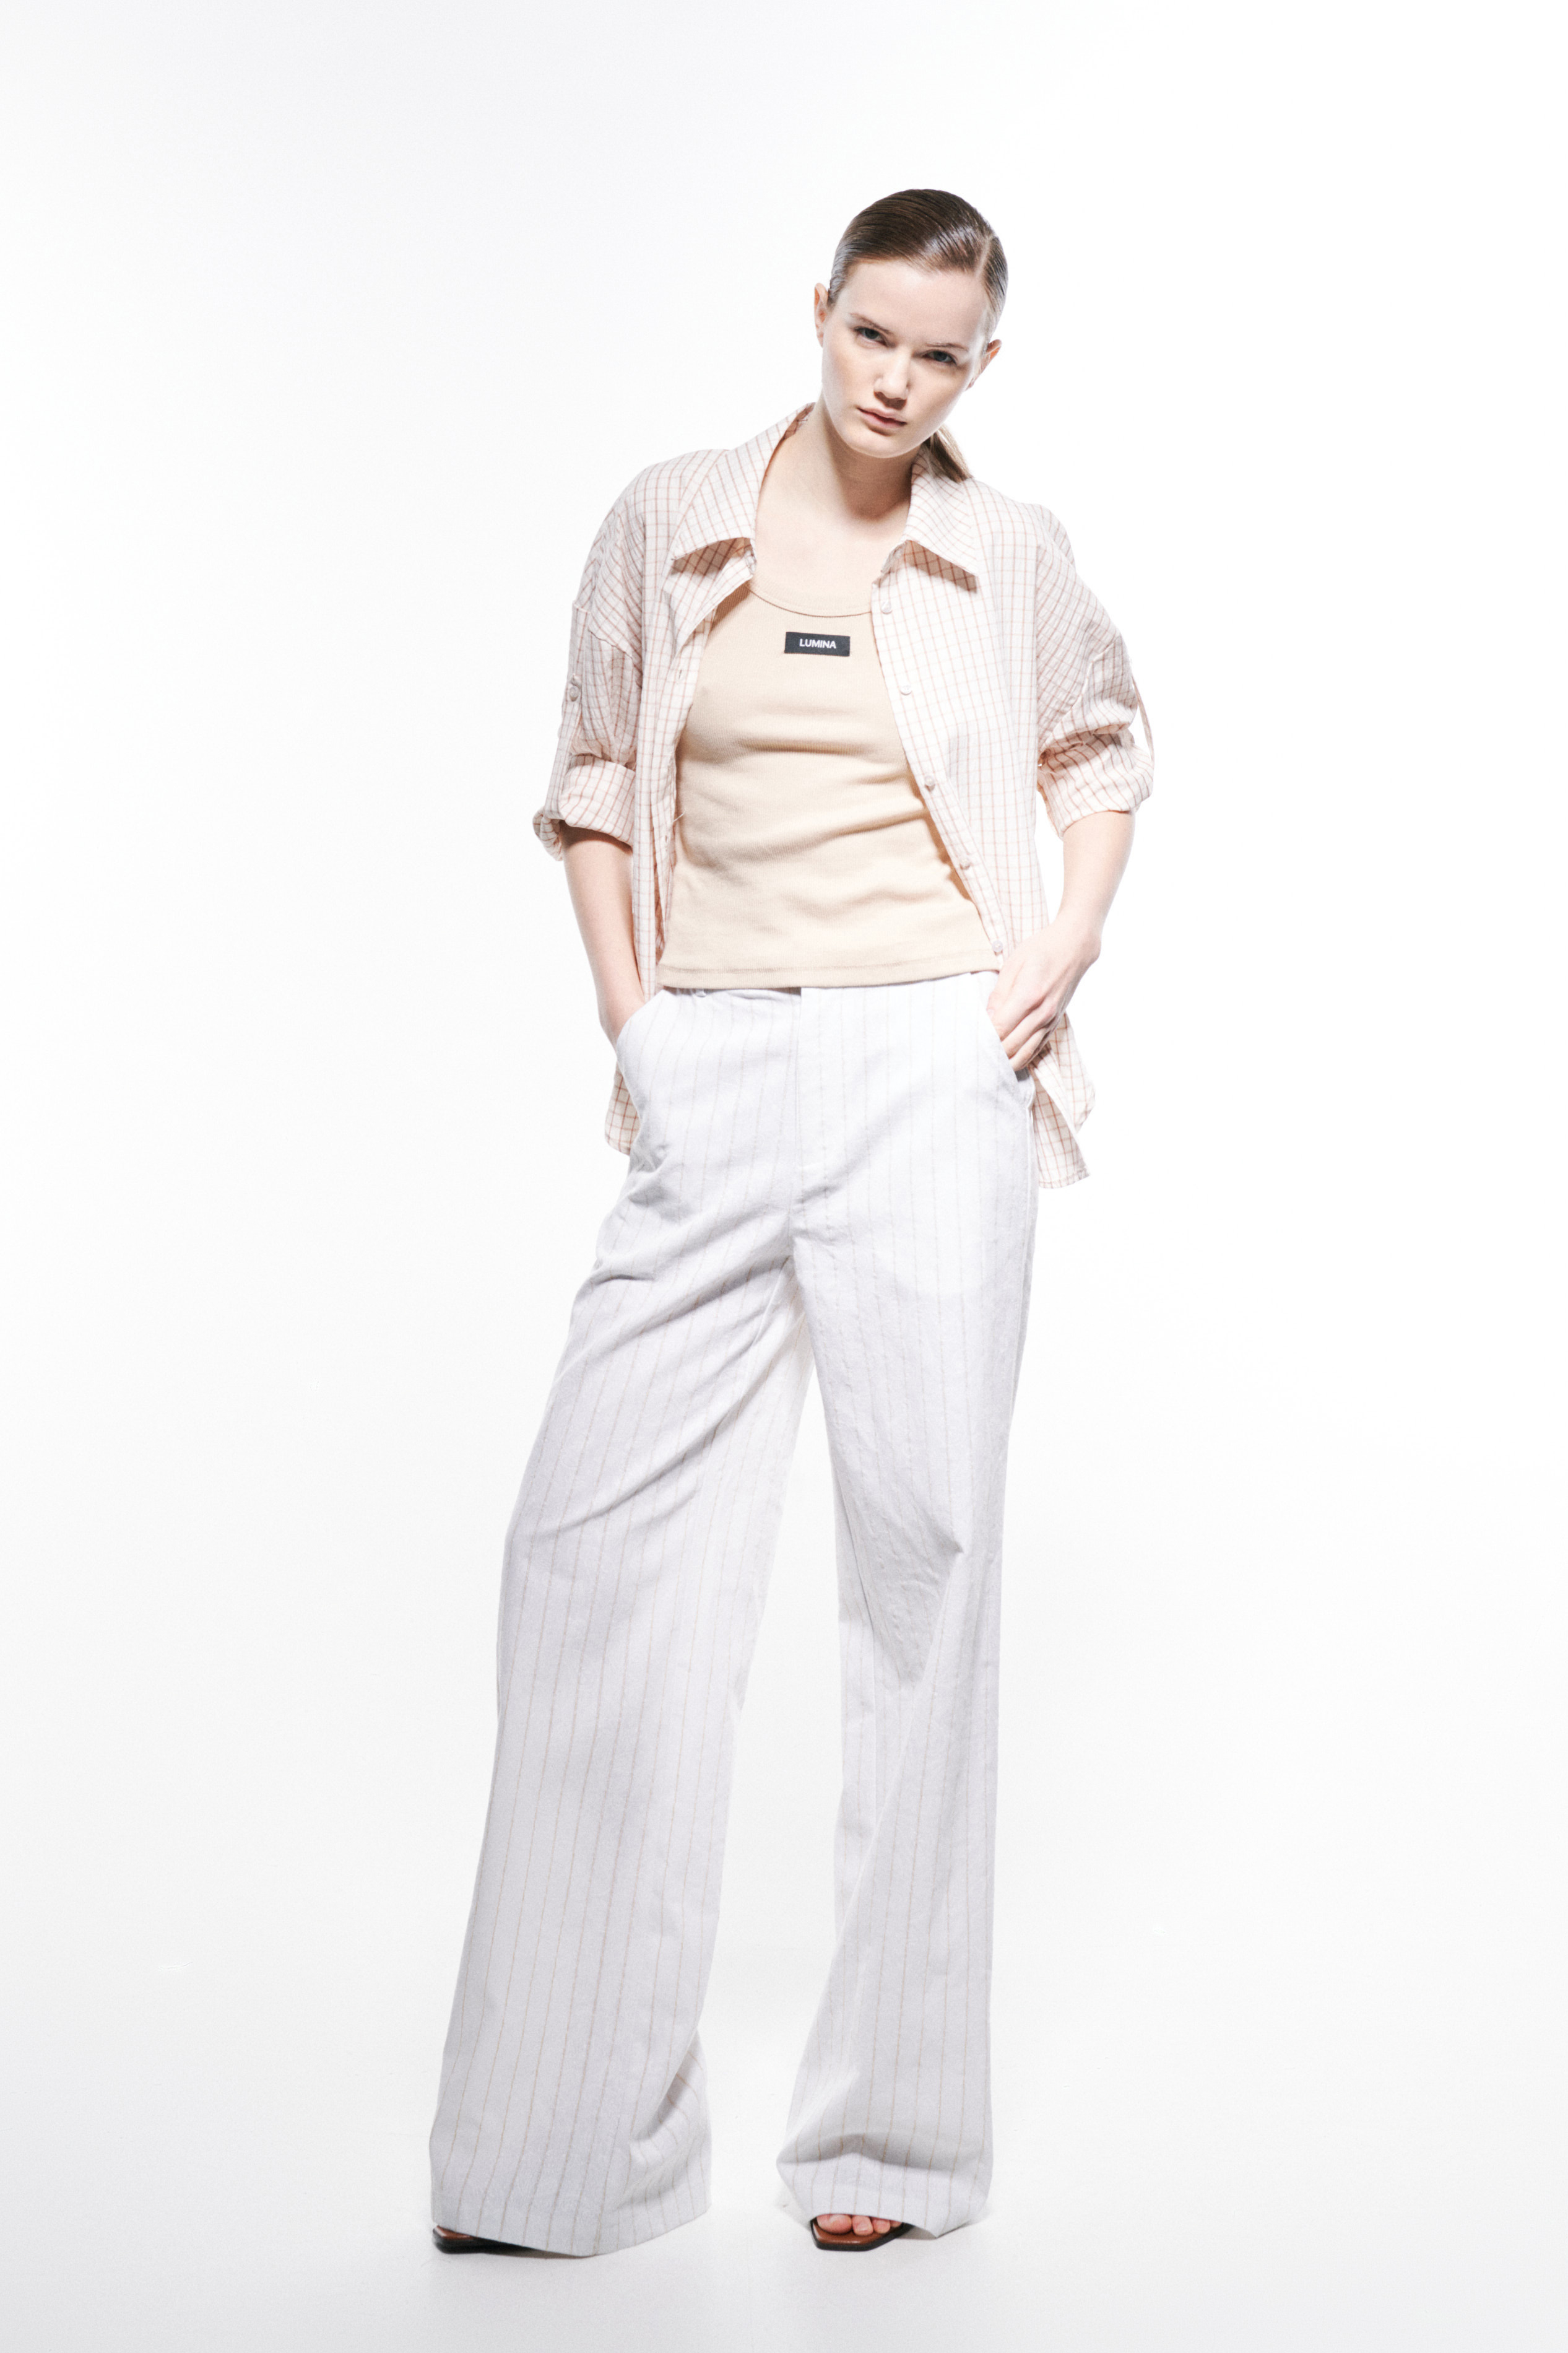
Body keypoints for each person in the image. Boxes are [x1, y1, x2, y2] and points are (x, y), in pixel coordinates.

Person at [427, 187, 1153, 2259]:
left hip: (937, 1059)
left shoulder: (1009, 552)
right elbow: (590, 776)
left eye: (940, 354)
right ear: (818, 309)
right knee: (589, 1562)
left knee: (926, 1573)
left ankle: (889, 2153)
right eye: (871, 335)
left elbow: (1104, 741)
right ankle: (562, 2154)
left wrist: (1062, 946)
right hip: (718, 1053)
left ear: (983, 364)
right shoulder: (670, 518)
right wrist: (635, 1025)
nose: (896, 380)